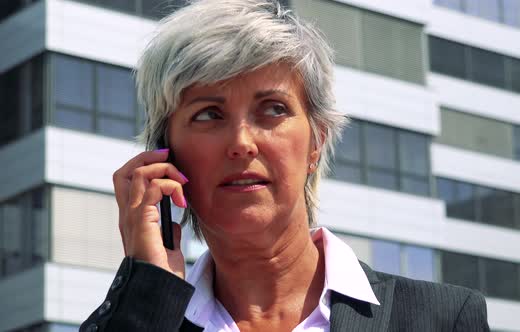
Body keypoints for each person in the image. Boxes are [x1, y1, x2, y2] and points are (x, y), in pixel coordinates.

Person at [80, 0, 490, 331]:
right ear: (165, 155)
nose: (242, 143)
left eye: (272, 109)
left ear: (317, 142)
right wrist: (148, 292)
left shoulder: (441, 318)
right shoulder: (143, 320)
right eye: (208, 115)